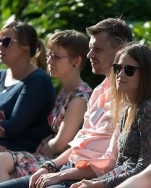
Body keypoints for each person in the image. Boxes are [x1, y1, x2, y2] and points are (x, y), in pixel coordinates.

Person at [0, 17, 133, 188]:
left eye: (97, 50)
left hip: (76, 171)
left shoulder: (94, 95)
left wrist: (52, 167)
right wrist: (51, 166)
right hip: (65, 164)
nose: (90, 55)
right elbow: (81, 142)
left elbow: (63, 144)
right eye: (49, 55)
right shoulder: (98, 91)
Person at [69, 43, 151, 188]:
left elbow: (145, 168)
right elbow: (121, 165)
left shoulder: (149, 107)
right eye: (118, 68)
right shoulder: (130, 108)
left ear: (146, 74)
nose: (120, 74)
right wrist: (96, 183)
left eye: (129, 70)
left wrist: (101, 184)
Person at [0, 29, 93, 182]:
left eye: (56, 57)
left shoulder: (80, 97)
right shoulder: (65, 91)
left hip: (61, 162)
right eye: (50, 55)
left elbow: (60, 144)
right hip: (48, 156)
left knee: (2, 161)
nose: (49, 61)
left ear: (76, 61)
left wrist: (39, 150)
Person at [0, 21, 56, 152]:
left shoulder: (38, 81)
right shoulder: (1, 76)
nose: (1, 46)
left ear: (25, 48)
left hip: (21, 150)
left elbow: (13, 127)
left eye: (6, 41)